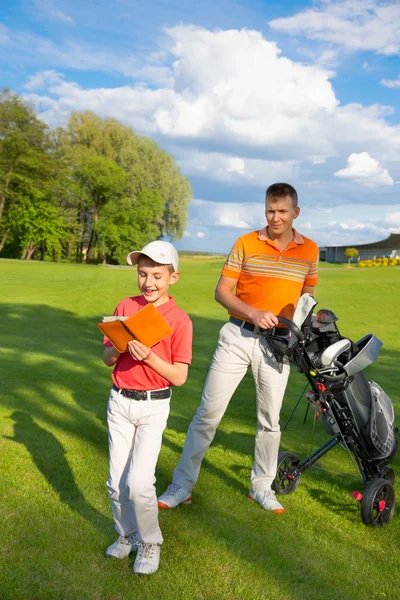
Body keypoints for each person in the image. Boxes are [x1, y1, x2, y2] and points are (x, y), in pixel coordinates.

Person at [158, 183, 318, 514]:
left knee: (269, 421)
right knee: (207, 415)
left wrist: (300, 339)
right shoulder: (245, 243)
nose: (275, 217)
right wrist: (254, 313)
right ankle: (181, 486)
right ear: (265, 210)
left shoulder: (310, 251)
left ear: (295, 213)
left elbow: (307, 301)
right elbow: (222, 292)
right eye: (270, 210)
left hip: (277, 347)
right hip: (237, 337)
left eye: (282, 211)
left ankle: (261, 487)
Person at [102, 241, 192, 575]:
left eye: (157, 275)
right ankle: (126, 535)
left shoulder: (180, 321)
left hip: (154, 406)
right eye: (142, 274)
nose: (149, 282)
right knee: (116, 481)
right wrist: (119, 348)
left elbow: (179, 377)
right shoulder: (126, 306)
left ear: (173, 277)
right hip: (120, 401)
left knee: (139, 482)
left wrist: (150, 357)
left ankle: (150, 541)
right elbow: (107, 358)